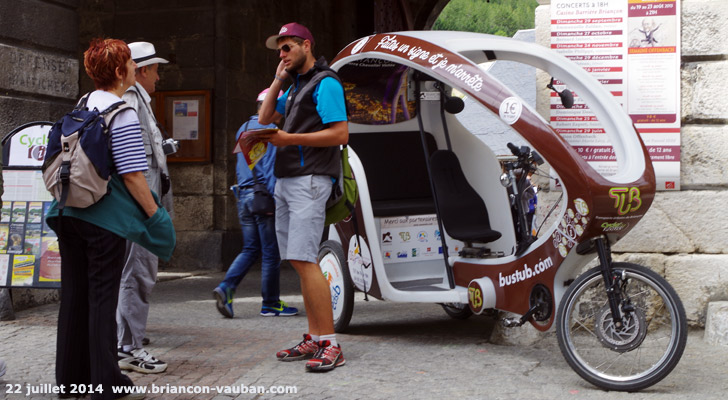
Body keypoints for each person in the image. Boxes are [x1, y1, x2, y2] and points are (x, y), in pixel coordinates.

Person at [47, 38, 174, 400]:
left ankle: (71, 382)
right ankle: (105, 382)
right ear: (121, 72)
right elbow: (133, 174)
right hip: (103, 221)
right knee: (103, 299)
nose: (136, 68)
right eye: (131, 64)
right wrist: (155, 216)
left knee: (73, 297)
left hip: (68, 212)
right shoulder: (122, 112)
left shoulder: (83, 104)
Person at [258, 22, 349, 372]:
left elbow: (340, 134)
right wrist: (279, 78)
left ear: (306, 45)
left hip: (310, 181)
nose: (282, 54)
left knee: (306, 260)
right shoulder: (295, 85)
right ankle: (314, 336)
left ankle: (330, 343)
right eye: (279, 49)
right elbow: (264, 117)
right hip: (288, 181)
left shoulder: (325, 82)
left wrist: (290, 140)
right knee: (299, 259)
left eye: (287, 47)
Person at [212, 89, 298, 319]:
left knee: (251, 248)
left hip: (244, 195)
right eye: (280, 109)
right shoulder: (269, 130)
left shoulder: (244, 127)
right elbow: (269, 169)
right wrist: (277, 198)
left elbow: (244, 163)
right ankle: (270, 303)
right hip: (262, 197)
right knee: (271, 252)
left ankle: (226, 287)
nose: (281, 114)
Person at [116, 41, 173, 375]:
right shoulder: (130, 102)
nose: (159, 76)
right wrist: (151, 211)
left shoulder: (140, 101)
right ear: (141, 70)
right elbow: (132, 167)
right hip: (140, 206)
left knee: (137, 271)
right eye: (155, 69)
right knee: (137, 272)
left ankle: (128, 338)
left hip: (143, 203)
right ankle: (128, 346)